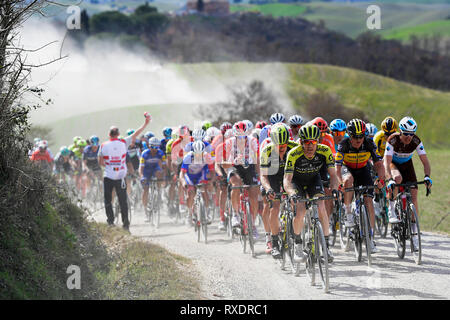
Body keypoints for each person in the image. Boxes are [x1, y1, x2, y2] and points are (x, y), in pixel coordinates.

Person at [284, 124, 338, 263]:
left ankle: (326, 246)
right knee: (300, 211)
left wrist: (335, 188)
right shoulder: (293, 154)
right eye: (306, 142)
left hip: (314, 179)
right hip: (297, 181)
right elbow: (287, 179)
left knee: (321, 207)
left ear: (317, 142)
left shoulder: (325, 151)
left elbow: (333, 175)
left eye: (313, 142)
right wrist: (291, 193)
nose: (310, 146)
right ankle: (297, 244)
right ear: (300, 142)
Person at [335, 119, 385, 253]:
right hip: (348, 169)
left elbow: (379, 165)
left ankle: (370, 238)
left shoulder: (369, 143)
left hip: (363, 169)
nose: (358, 139)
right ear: (349, 136)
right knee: (348, 180)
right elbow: (338, 168)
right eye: (355, 137)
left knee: (369, 201)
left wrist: (381, 180)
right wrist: (340, 183)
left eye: (361, 136)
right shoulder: (343, 144)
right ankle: (348, 212)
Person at [383, 117, 431, 251]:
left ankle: (414, 234)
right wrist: (389, 179)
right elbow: (386, 162)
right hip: (393, 163)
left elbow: (425, 162)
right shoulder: (392, 139)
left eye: (412, 134)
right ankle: (392, 209)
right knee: (397, 179)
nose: (409, 137)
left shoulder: (416, 141)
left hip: (407, 165)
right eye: (406, 134)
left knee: (414, 194)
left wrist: (427, 177)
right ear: (400, 131)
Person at [98, 114, 151, 231]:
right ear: (118, 134)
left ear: (109, 135)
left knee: (108, 200)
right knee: (123, 201)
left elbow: (101, 162)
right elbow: (136, 133)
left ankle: (110, 222)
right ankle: (125, 224)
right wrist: (146, 123)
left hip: (108, 176)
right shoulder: (123, 142)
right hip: (121, 176)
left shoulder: (103, 145)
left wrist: (110, 165)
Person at [260, 123, 298, 258]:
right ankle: (274, 243)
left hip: (289, 176)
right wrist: (268, 188)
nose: (281, 148)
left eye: (284, 145)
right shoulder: (266, 151)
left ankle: (296, 231)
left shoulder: (295, 148)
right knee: (274, 207)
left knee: (296, 202)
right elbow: (263, 176)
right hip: (273, 177)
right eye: (278, 145)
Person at [222, 121, 260, 239]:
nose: (242, 139)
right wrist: (234, 162)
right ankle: (235, 214)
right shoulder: (228, 143)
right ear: (234, 135)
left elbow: (258, 160)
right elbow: (223, 164)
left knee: (254, 194)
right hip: (234, 167)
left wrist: (258, 176)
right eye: (239, 137)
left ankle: (252, 224)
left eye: (244, 137)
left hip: (249, 167)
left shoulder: (253, 141)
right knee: (236, 184)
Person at [180, 141, 214, 225]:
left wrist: (211, 181)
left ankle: (206, 212)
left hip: (200, 175)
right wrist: (183, 182)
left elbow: (212, 172)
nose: (198, 155)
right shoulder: (188, 157)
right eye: (196, 153)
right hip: (190, 176)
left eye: (201, 153)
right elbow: (182, 173)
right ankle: (189, 213)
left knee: (204, 190)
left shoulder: (207, 156)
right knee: (190, 193)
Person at [140, 137, 166, 220]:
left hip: (155, 169)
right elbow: (141, 169)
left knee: (159, 173)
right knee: (145, 189)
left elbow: (164, 167)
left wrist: (163, 178)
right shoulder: (144, 154)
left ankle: (158, 191)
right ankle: (145, 210)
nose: (155, 149)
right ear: (149, 146)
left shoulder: (161, 153)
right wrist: (142, 177)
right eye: (153, 147)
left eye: (157, 147)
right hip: (146, 170)